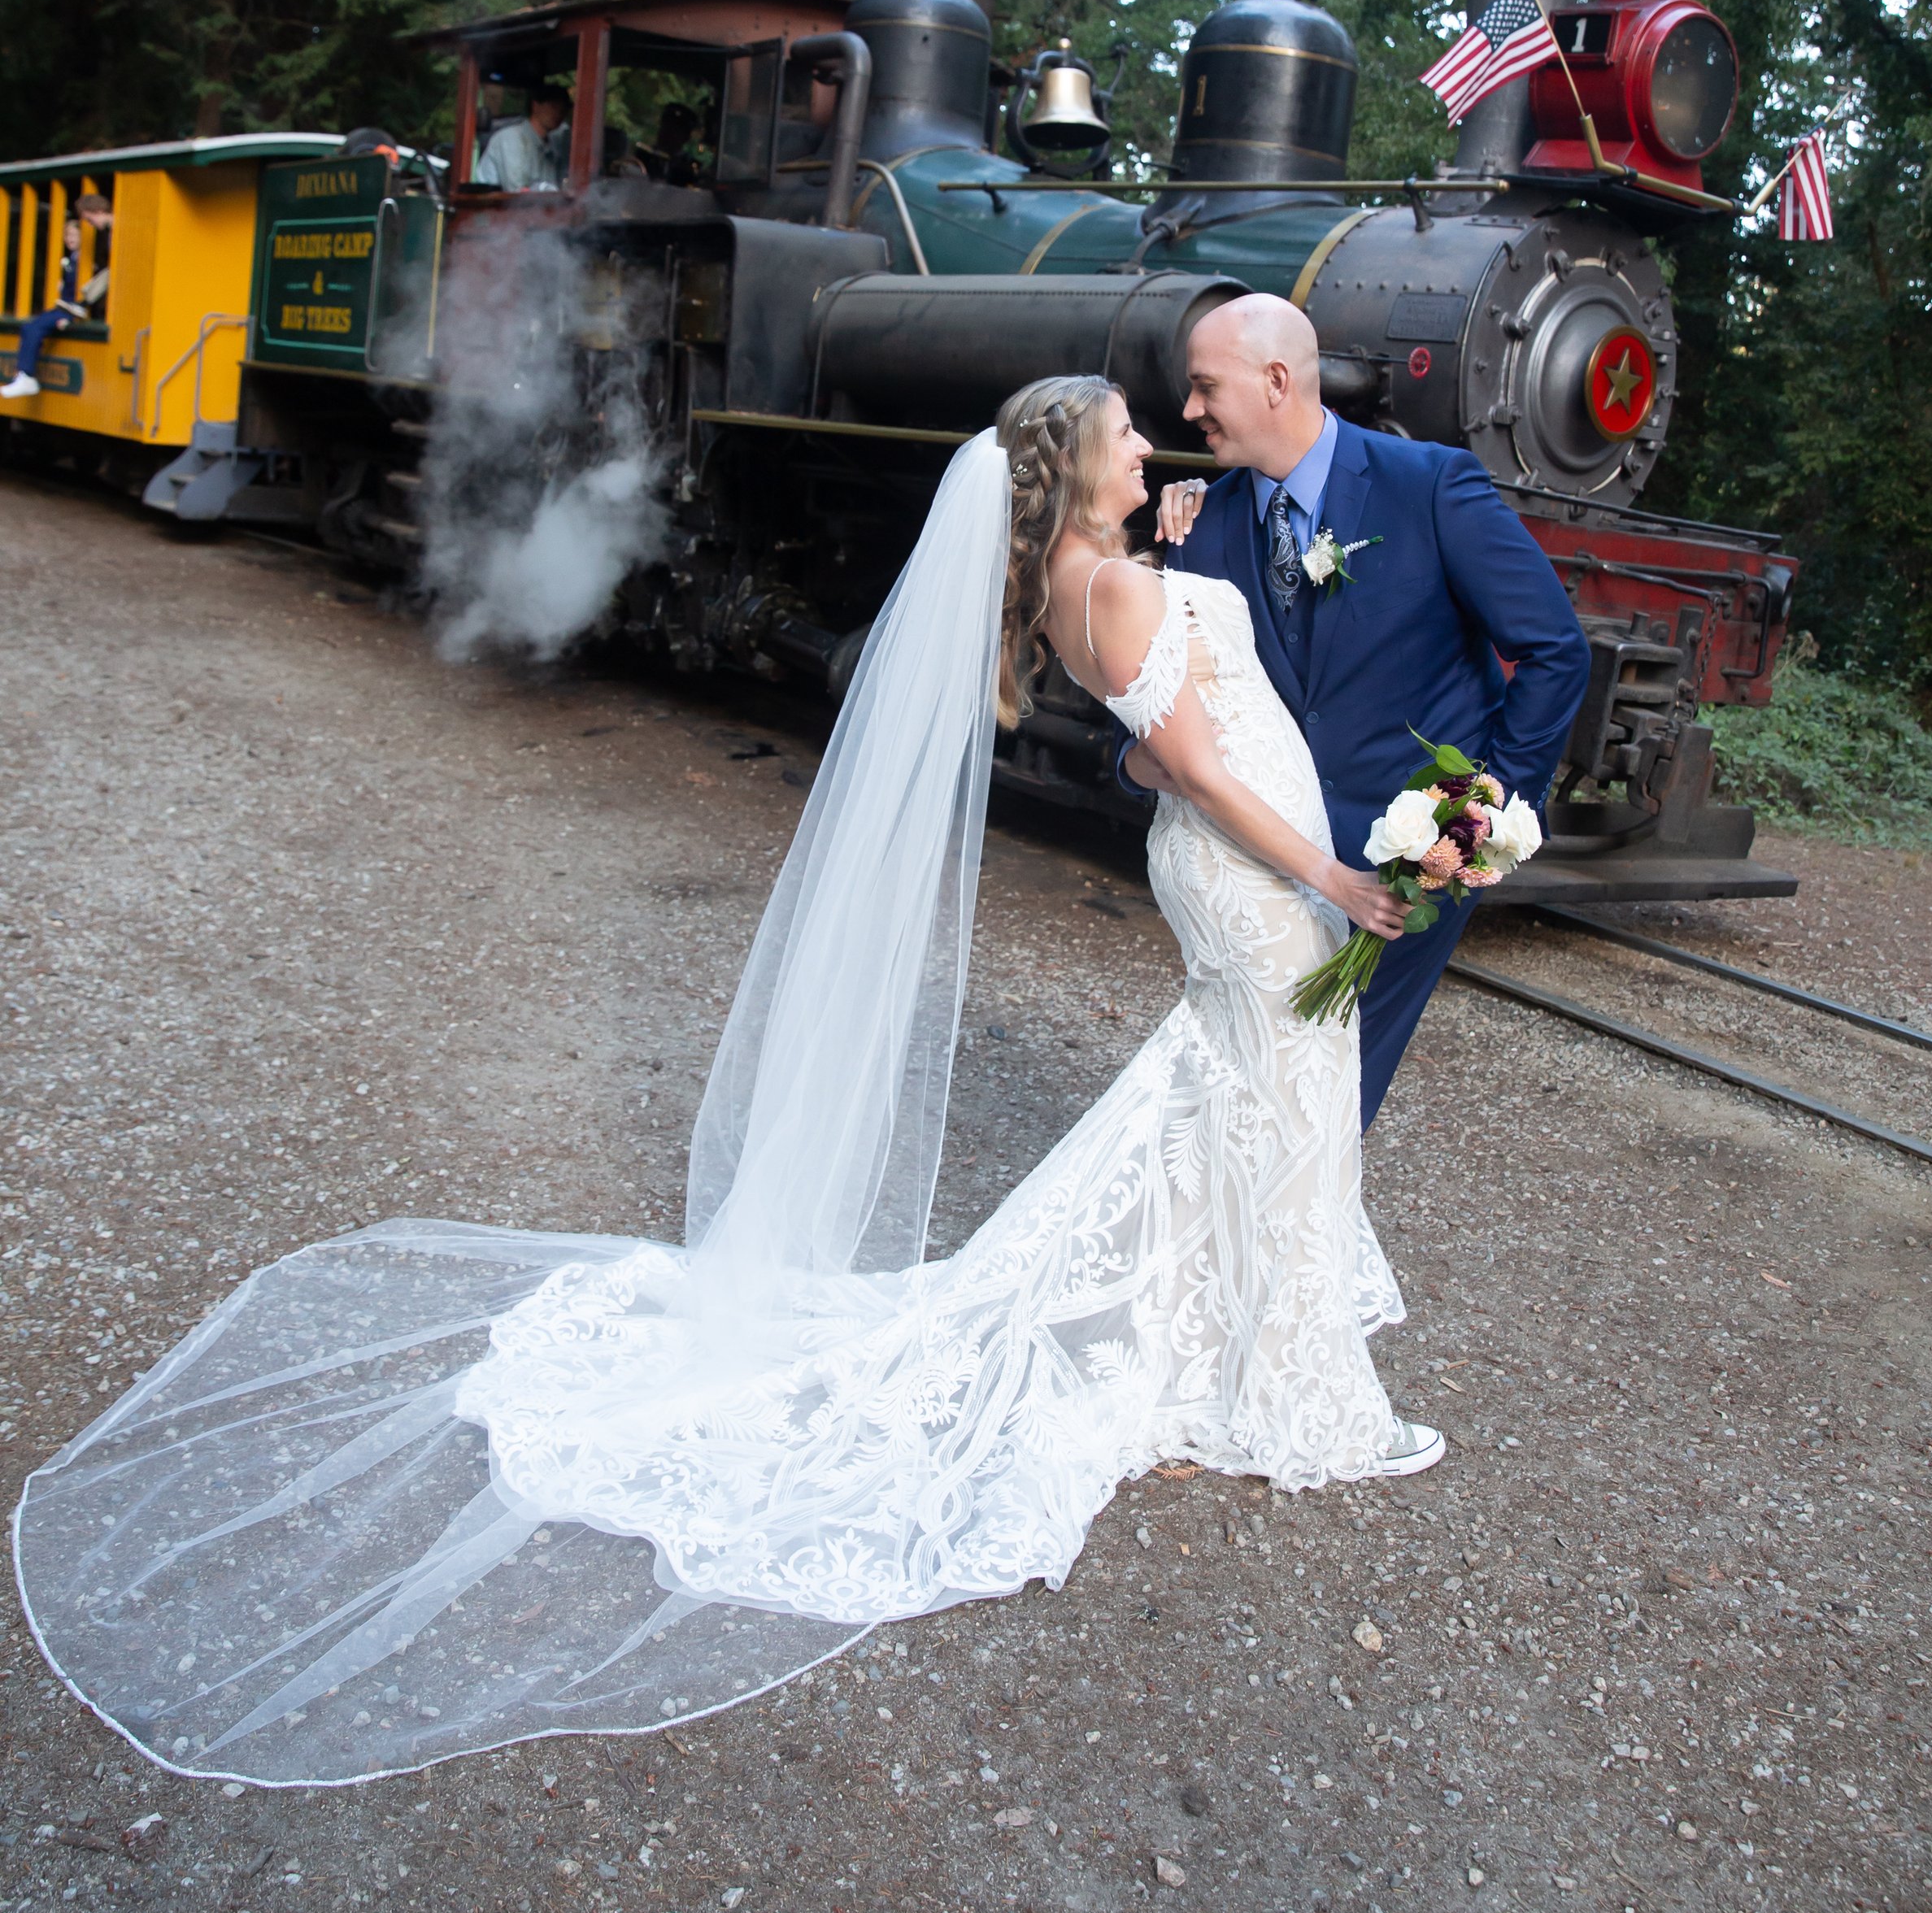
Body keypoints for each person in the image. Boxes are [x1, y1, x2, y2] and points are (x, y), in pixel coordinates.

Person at [14, 376, 1441, 1791]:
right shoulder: (1119, 587)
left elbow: (1144, 737)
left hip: (1239, 868)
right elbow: (1180, 752)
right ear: (1076, 467)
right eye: (1132, 429)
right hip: (1260, 877)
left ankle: (1252, 1328)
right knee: (1262, 1084)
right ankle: (1284, 1371)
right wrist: (1325, 868)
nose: (1155, 439)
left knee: (1236, 1093)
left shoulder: (1097, 578)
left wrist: (1180, 566)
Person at [1150, 293, 1593, 1129]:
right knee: (1246, 1099)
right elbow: (1164, 694)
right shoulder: (1200, 529)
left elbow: (1553, 651)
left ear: (1276, 380)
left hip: (1404, 870)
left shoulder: (1429, 487)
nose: (1188, 410)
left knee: (1331, 1108)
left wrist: (1479, 814)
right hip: (1266, 867)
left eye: (1205, 386)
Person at [2, 193, 112, 399]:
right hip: (70, 307)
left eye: (89, 219)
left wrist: (81, 306)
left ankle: (26, 377)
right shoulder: (77, 258)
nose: (92, 224)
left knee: (31, 327)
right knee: (32, 326)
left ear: (98, 211)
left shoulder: (94, 255)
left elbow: (111, 278)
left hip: (74, 308)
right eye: (67, 237)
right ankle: (24, 376)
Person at [473, 87, 568, 190]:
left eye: (563, 110)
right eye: (553, 106)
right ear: (535, 106)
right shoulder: (510, 139)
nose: (559, 113)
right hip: (490, 205)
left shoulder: (551, 148)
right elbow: (517, 192)